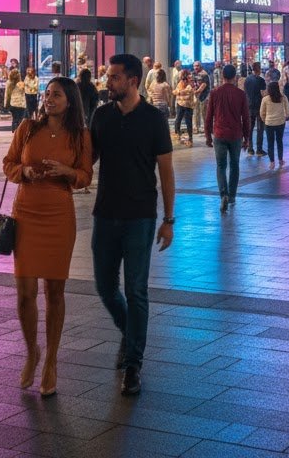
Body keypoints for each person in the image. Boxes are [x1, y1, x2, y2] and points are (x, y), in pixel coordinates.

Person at [89, 54, 175, 397]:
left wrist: (169, 220)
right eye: (108, 76)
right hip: (105, 214)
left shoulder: (154, 119)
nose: (108, 82)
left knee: (136, 290)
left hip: (140, 216)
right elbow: (88, 158)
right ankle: (131, 333)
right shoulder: (102, 115)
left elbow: (166, 173)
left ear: (133, 81)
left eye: (114, 77)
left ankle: (133, 365)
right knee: (104, 286)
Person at [3, 76, 93, 398]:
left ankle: (51, 361)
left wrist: (68, 173)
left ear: (70, 100)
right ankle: (32, 352)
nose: (49, 98)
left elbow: (85, 175)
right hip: (26, 214)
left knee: (55, 291)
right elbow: (9, 164)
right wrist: (23, 172)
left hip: (58, 217)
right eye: (47, 94)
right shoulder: (28, 128)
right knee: (25, 291)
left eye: (56, 95)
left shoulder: (80, 136)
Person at [205, 64, 250, 212]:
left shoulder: (215, 92)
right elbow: (246, 117)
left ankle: (223, 194)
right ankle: (232, 196)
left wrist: (208, 135)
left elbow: (209, 116)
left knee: (221, 166)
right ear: (234, 77)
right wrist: (247, 137)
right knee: (234, 165)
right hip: (236, 135)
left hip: (219, 134)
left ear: (223, 76)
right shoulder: (240, 94)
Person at [260, 80, 289, 170]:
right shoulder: (283, 98)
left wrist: (265, 120)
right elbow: (288, 110)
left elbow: (262, 112)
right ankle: (280, 160)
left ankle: (272, 162)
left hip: (269, 123)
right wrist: (285, 117)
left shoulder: (265, 99)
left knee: (270, 143)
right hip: (280, 123)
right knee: (279, 141)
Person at [243, 61, 267, 156]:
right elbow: (263, 93)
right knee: (260, 128)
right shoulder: (261, 80)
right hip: (259, 106)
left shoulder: (247, 80)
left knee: (250, 128)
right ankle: (259, 150)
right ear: (259, 69)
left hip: (249, 106)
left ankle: (250, 148)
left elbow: (245, 92)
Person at [173, 69, 196, 145]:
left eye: (180, 74)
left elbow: (189, 90)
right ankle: (177, 135)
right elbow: (174, 91)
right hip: (180, 104)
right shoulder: (180, 82)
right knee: (178, 120)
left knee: (188, 122)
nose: (179, 76)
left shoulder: (191, 81)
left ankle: (190, 138)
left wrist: (179, 92)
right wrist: (179, 92)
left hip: (188, 105)